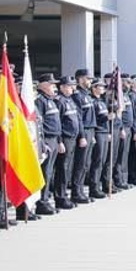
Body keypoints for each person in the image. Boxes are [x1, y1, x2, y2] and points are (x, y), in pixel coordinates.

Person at [32, 72, 61, 215]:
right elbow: (39, 125)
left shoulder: (51, 100)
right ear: (43, 86)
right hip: (47, 140)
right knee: (45, 172)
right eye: (51, 84)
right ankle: (41, 203)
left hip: (54, 139)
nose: (54, 87)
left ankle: (46, 200)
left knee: (50, 172)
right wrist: (43, 143)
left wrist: (59, 141)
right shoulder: (40, 101)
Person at [54, 77, 82, 209]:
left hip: (72, 138)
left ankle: (65, 195)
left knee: (68, 169)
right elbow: (58, 123)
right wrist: (59, 141)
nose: (73, 88)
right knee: (62, 169)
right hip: (65, 138)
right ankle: (60, 198)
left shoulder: (70, 100)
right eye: (70, 86)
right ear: (62, 87)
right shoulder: (59, 101)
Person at [72, 70, 96, 202]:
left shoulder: (87, 95)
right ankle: (76, 193)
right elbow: (79, 118)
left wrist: (92, 133)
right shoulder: (77, 96)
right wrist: (82, 135)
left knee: (86, 163)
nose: (90, 81)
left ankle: (81, 191)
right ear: (81, 79)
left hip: (90, 131)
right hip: (84, 131)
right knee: (80, 164)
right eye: (88, 79)